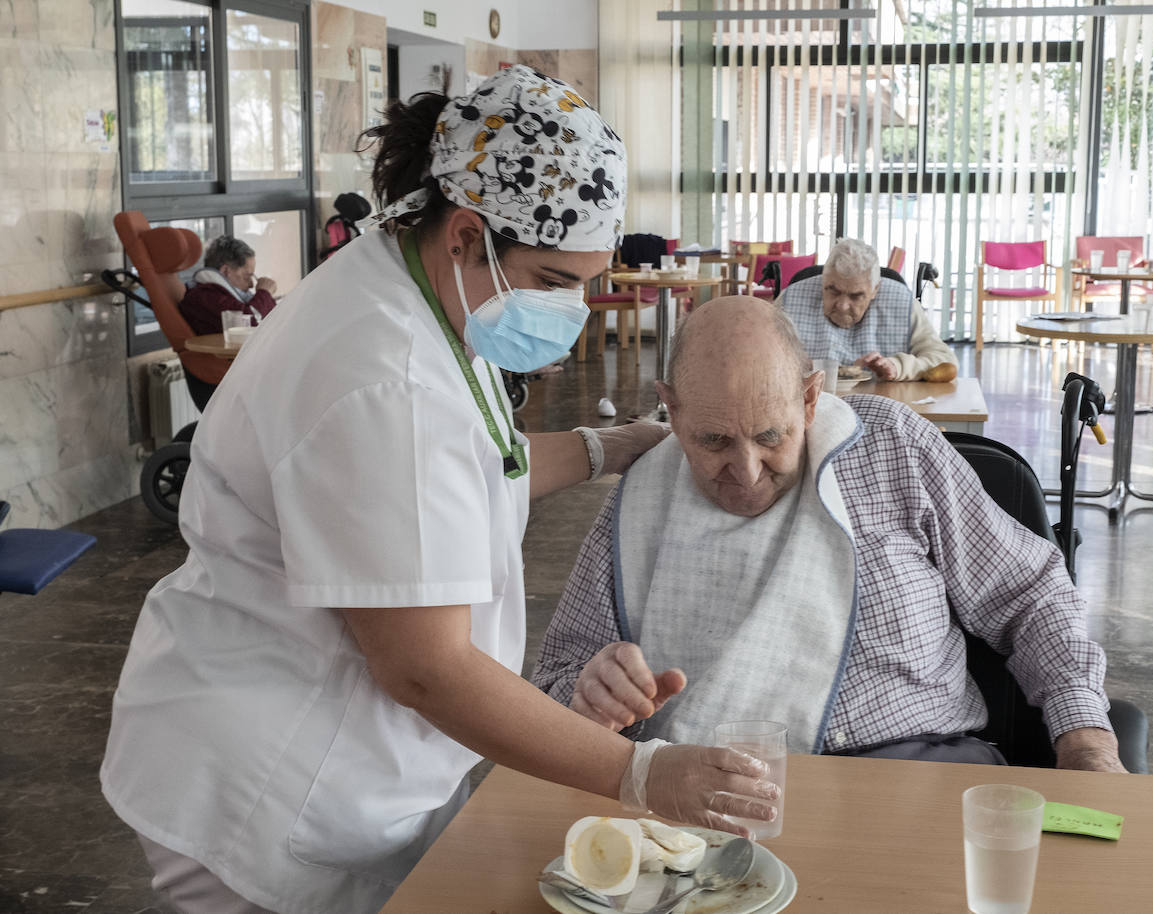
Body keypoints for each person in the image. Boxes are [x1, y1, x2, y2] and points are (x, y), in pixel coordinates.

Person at [101, 66, 777, 914]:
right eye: (556, 281)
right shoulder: (385, 377)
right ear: (465, 234)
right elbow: (426, 667)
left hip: (348, 765)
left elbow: (464, 474)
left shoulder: (421, 287)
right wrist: (640, 771)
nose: (571, 312)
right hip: (268, 783)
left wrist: (611, 447)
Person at [533, 295, 1125, 773]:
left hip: (918, 777)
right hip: (705, 793)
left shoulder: (894, 445)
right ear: (672, 409)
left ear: (812, 398)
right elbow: (558, 675)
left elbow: (1030, 593)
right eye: (712, 441)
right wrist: (587, 695)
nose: (745, 471)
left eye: (771, 436)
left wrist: (1086, 739)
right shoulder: (642, 496)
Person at [779, 238, 958, 383]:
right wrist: (794, 366)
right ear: (823, 279)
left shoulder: (901, 301)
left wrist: (898, 366)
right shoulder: (790, 299)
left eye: (855, 296)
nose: (842, 305)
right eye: (832, 290)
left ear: (875, 290)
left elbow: (945, 361)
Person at [178, 235, 279, 336]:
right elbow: (250, 322)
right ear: (226, 271)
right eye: (247, 276)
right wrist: (264, 293)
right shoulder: (205, 296)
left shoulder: (216, 294)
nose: (251, 285)